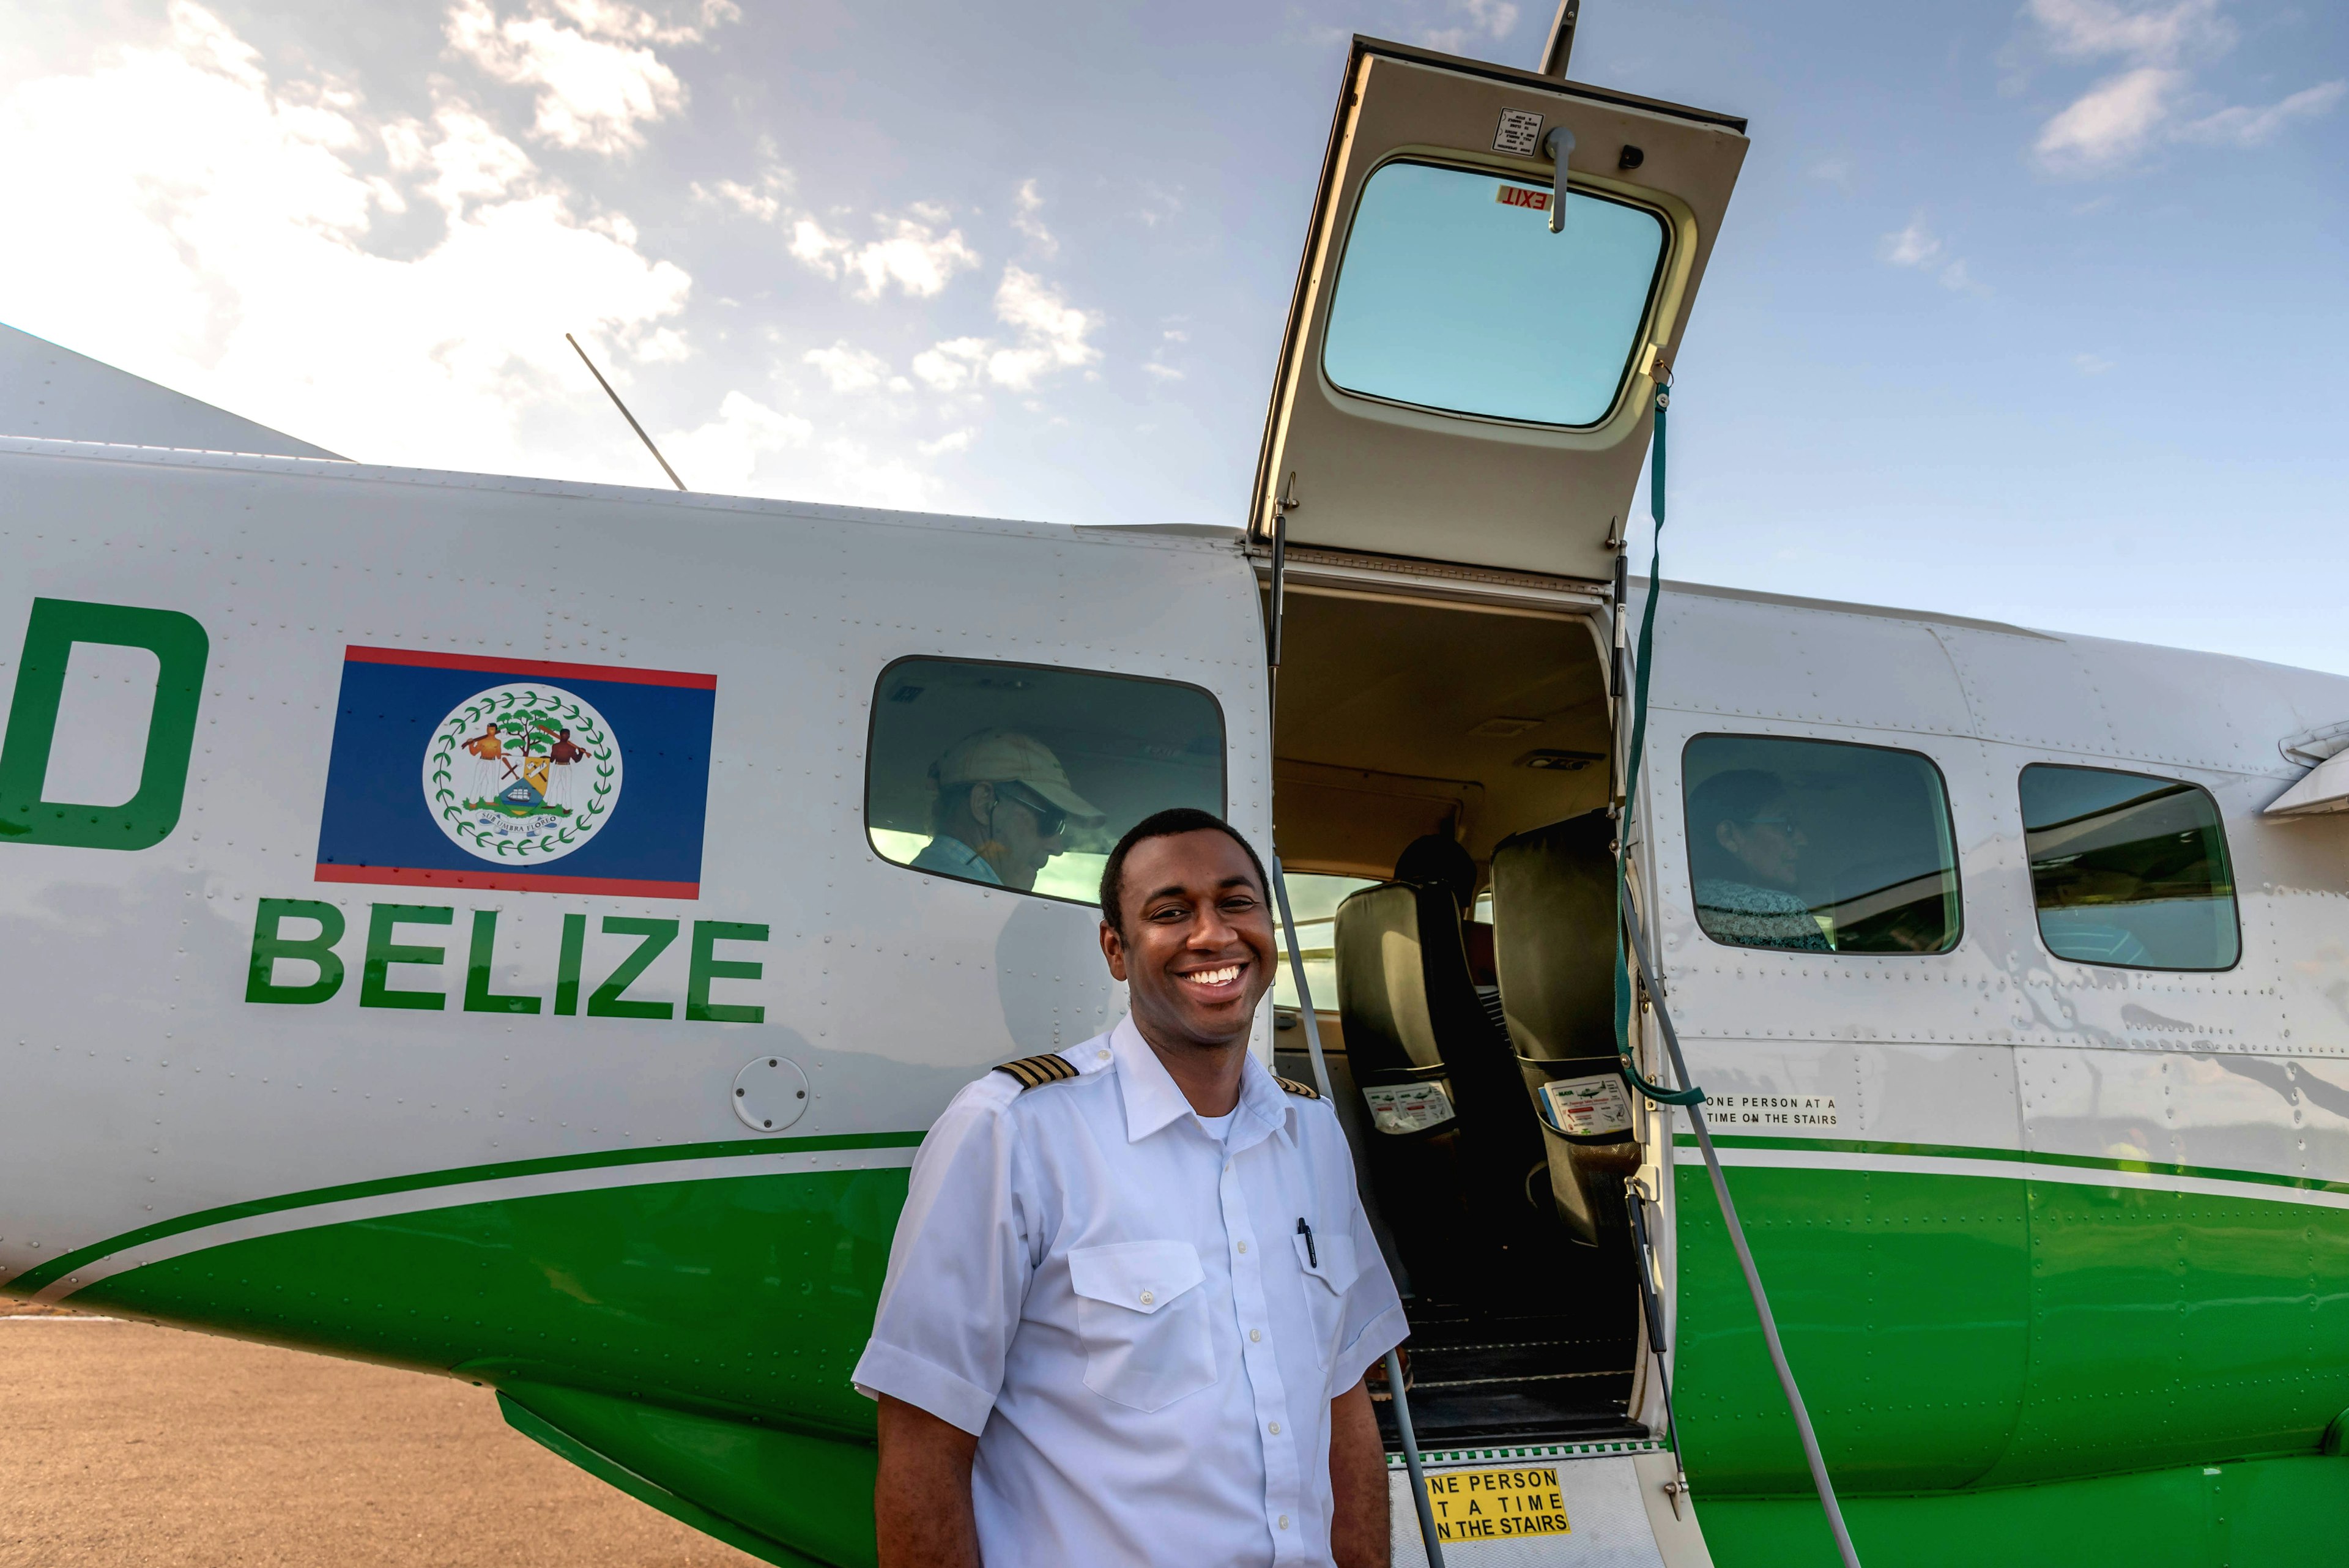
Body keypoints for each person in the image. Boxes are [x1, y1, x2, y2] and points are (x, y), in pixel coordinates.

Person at [853, 808, 1406, 1568]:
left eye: (1237, 902)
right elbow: (922, 1442)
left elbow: (1345, 1407)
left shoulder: (1312, 1136)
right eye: (1171, 911)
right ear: (1116, 949)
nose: (1212, 934)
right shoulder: (1013, 1132)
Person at [911, 729, 1101, 893]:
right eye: (1051, 821)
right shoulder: (980, 905)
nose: (1057, 848)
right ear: (984, 804)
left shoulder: (919, 881)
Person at [1686, 768, 1831, 951]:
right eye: (1787, 825)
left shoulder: (1682, 907)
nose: (1803, 840)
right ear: (1729, 836)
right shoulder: (1782, 911)